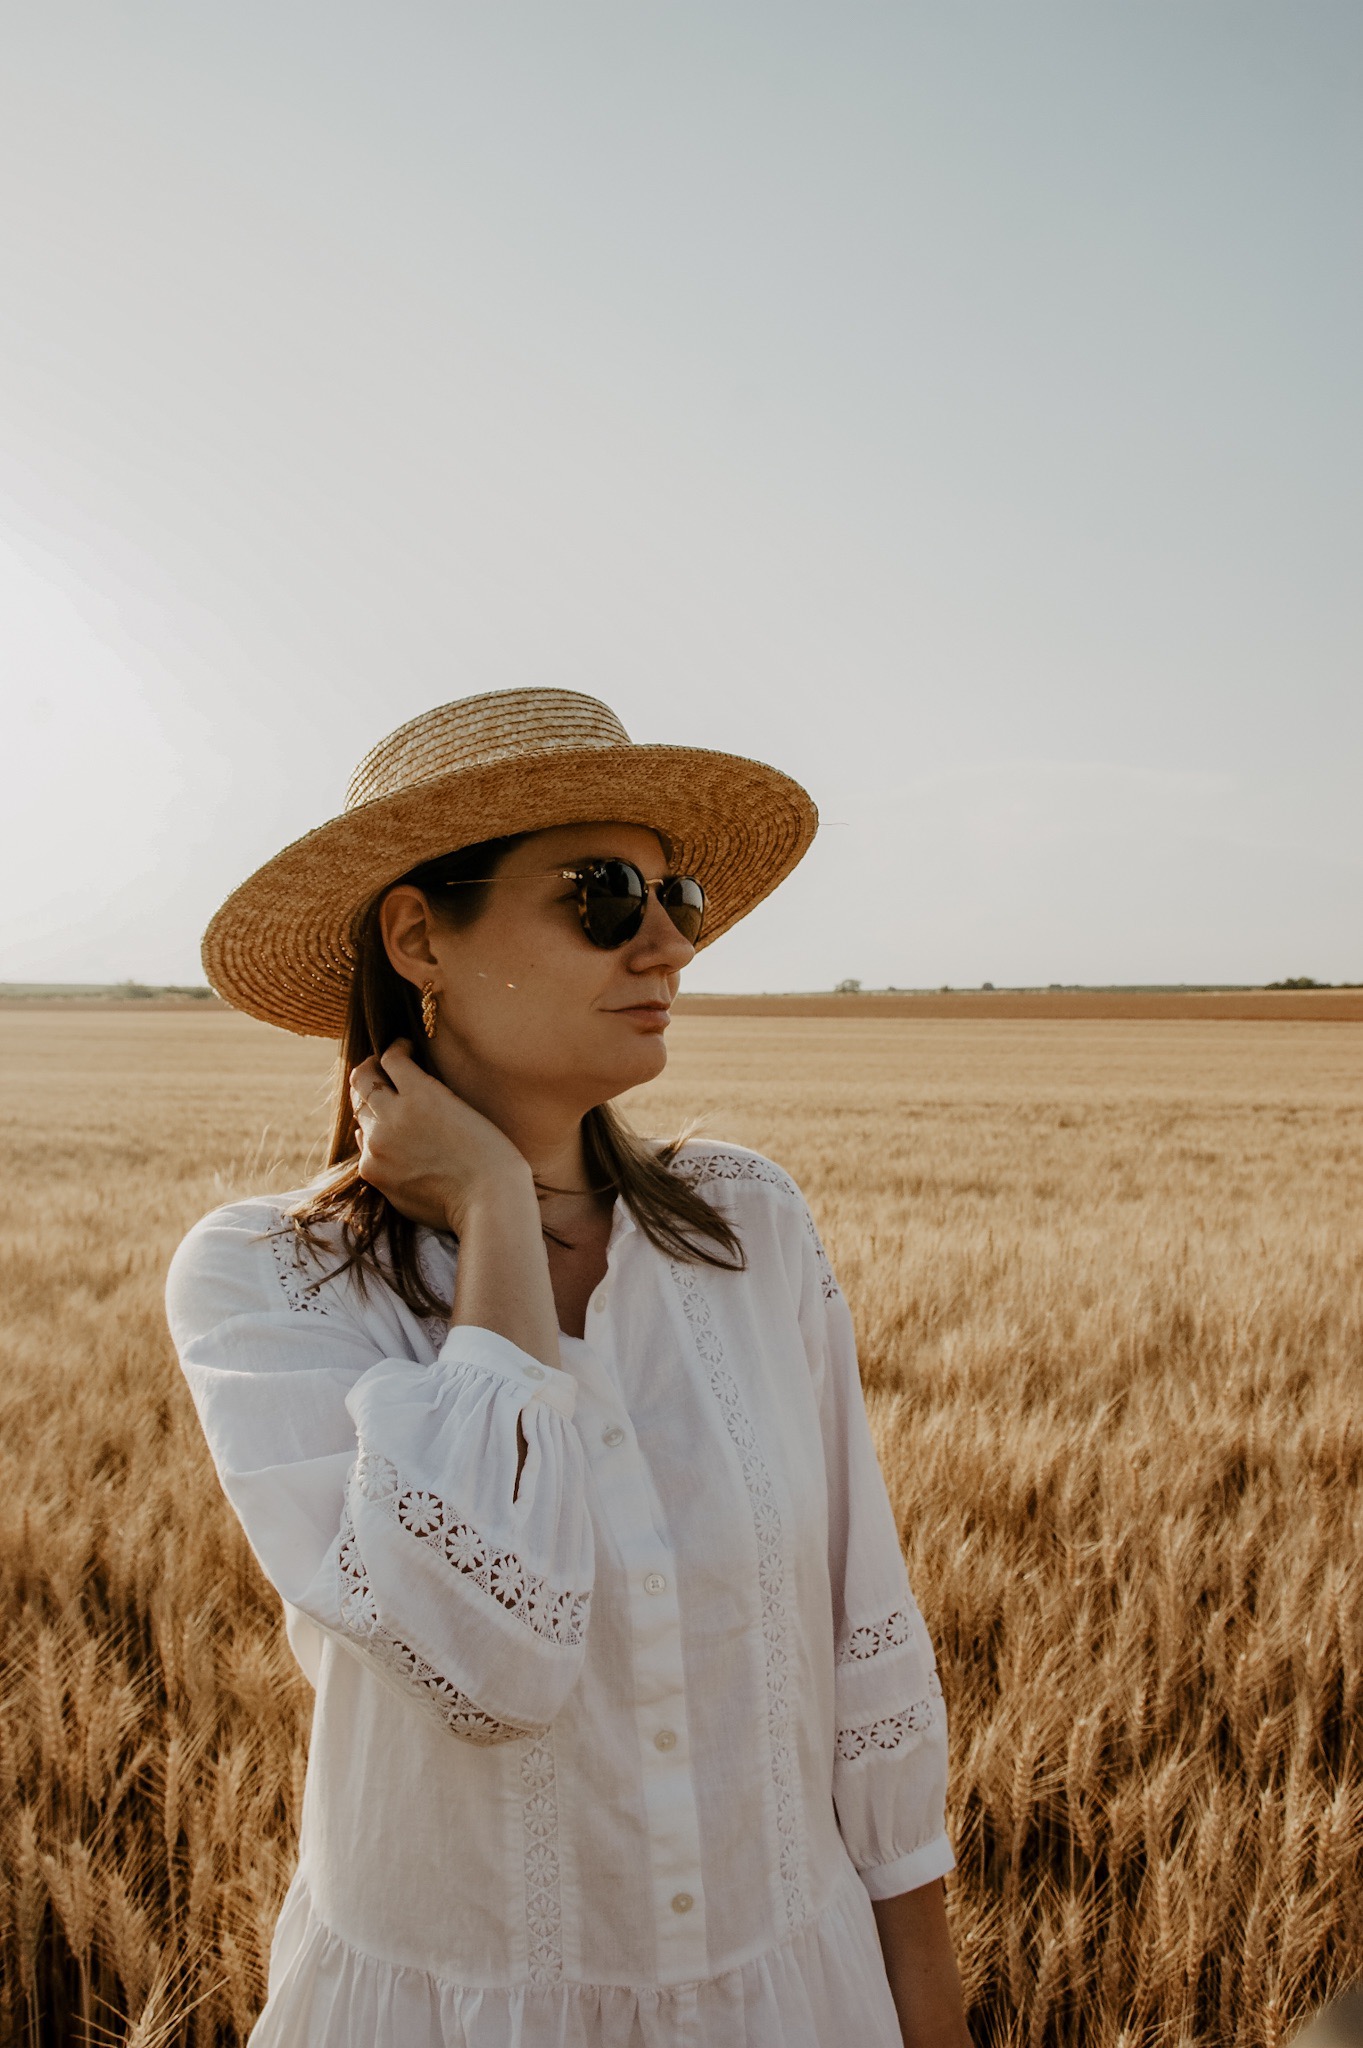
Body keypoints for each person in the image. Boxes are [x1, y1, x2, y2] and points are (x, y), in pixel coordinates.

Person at [167, 687, 972, 2047]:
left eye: (682, 896)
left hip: (796, 2001)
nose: (667, 944)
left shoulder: (750, 1228)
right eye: (603, 894)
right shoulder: (269, 1282)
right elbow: (496, 1658)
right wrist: (490, 1209)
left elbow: (865, 1647)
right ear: (420, 935)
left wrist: (932, 2018)